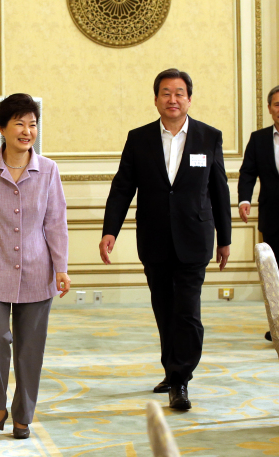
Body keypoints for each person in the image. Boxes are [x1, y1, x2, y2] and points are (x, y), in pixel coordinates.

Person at [99, 69, 232, 410]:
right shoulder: (139, 138)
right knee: (164, 309)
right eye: (166, 93)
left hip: (195, 237)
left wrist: (225, 238)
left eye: (179, 93)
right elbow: (122, 188)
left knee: (187, 311)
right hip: (155, 238)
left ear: (189, 98)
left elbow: (219, 190)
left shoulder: (208, 137)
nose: (173, 99)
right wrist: (109, 231)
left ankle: (181, 378)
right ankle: (172, 369)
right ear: (156, 98)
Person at [0, 94, 70, 440]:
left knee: (30, 346)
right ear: (2, 127)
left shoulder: (48, 170)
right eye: (19, 123)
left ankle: (23, 413)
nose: (27, 130)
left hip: (38, 270)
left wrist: (61, 267)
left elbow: (56, 223)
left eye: (32, 124)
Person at [238, 85, 279, 340]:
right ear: (269, 109)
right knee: (274, 273)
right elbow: (247, 173)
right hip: (271, 216)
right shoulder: (258, 138)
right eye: (277, 105)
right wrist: (245, 199)